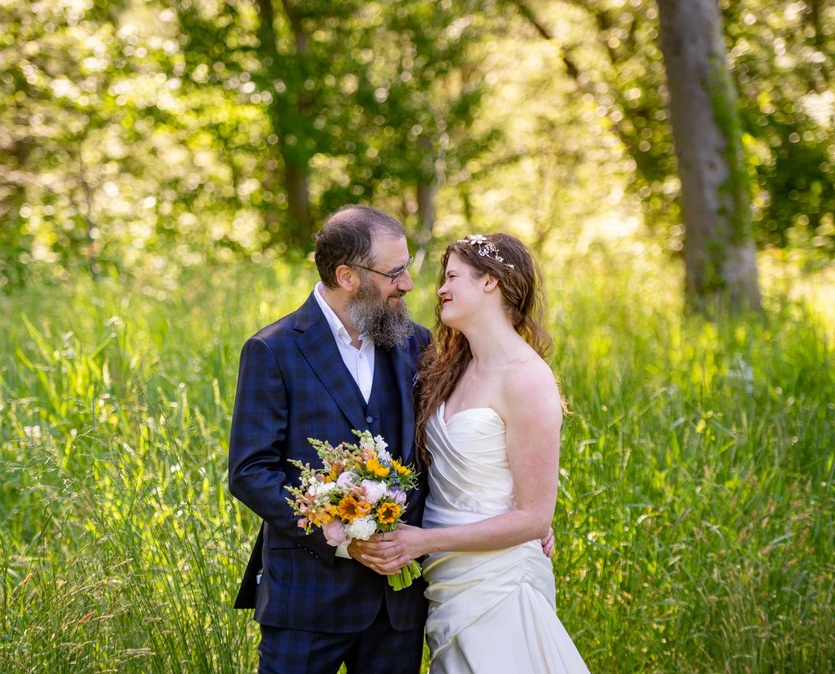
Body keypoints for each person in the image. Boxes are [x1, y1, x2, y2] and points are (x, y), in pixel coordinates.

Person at [361, 233, 589, 672]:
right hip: (445, 578)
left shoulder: (528, 379)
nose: (440, 289)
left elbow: (534, 518)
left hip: (499, 580)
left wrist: (425, 541)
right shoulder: (448, 367)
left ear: (491, 283)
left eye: (452, 277)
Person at [228, 205, 431, 673]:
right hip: (306, 598)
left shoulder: (417, 343)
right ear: (347, 276)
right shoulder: (273, 349)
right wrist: (340, 535)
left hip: (396, 606)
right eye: (394, 272)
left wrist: (517, 514)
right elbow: (250, 471)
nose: (407, 284)